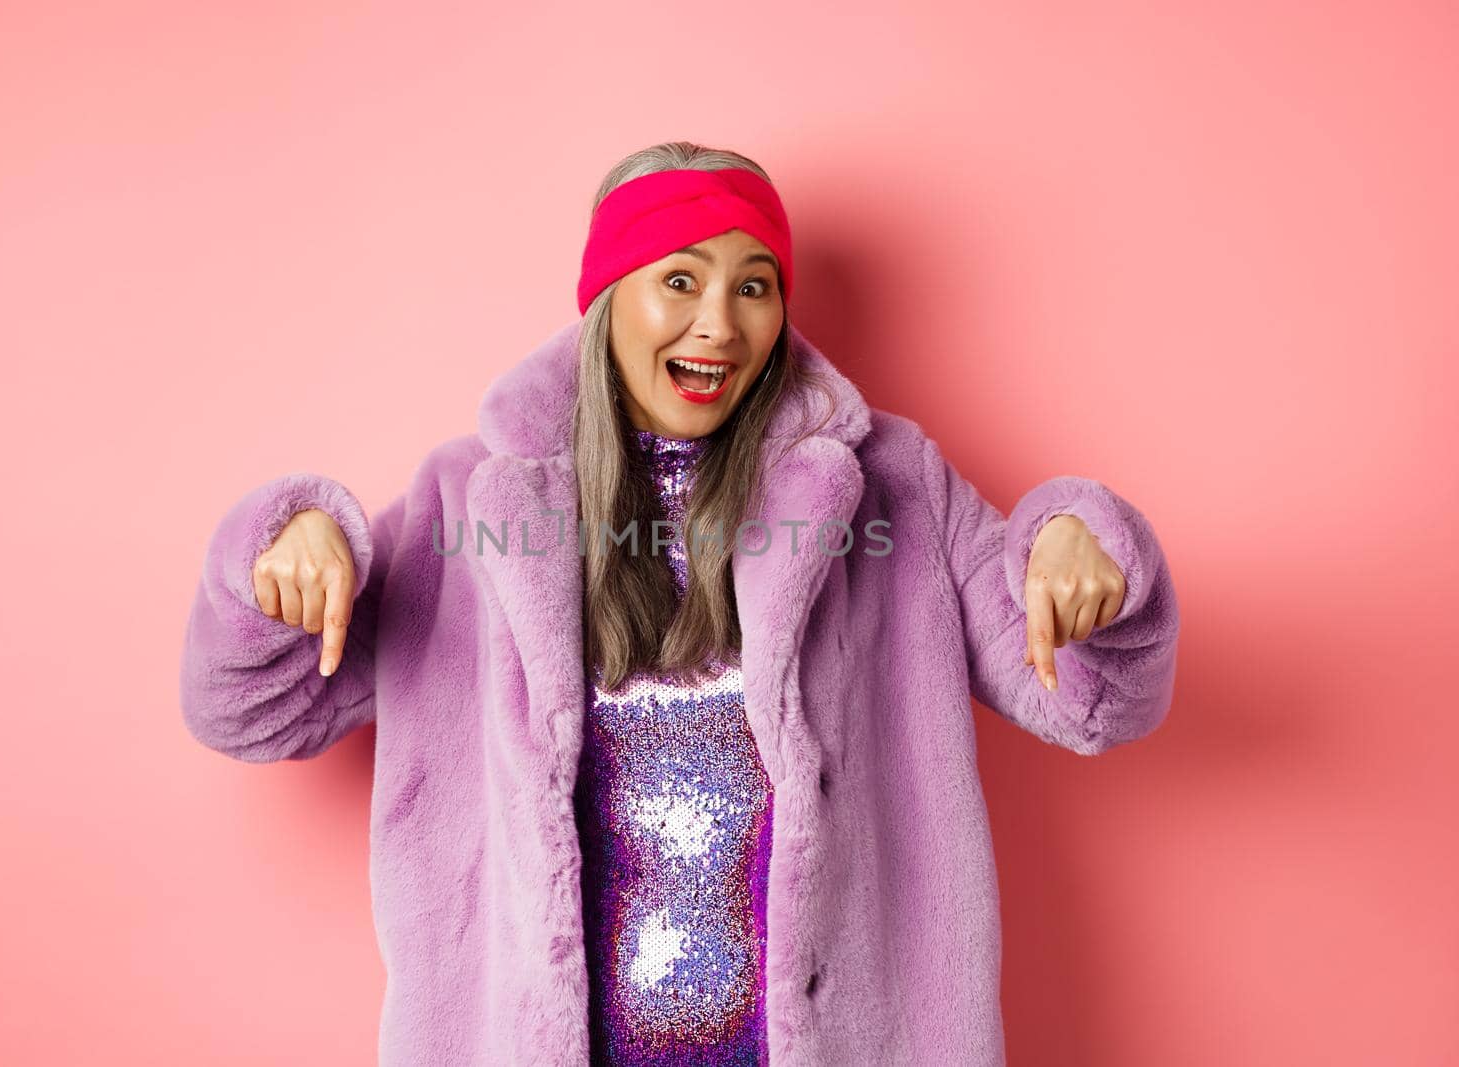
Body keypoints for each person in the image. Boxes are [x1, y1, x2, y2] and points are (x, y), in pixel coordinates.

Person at [179, 140, 1181, 1066]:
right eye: (680, 280)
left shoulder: (895, 490)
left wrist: (1074, 546)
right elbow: (253, 711)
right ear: (609, 301)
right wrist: (283, 547)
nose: (720, 321)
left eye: (754, 286)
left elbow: (1090, 703)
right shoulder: (469, 505)